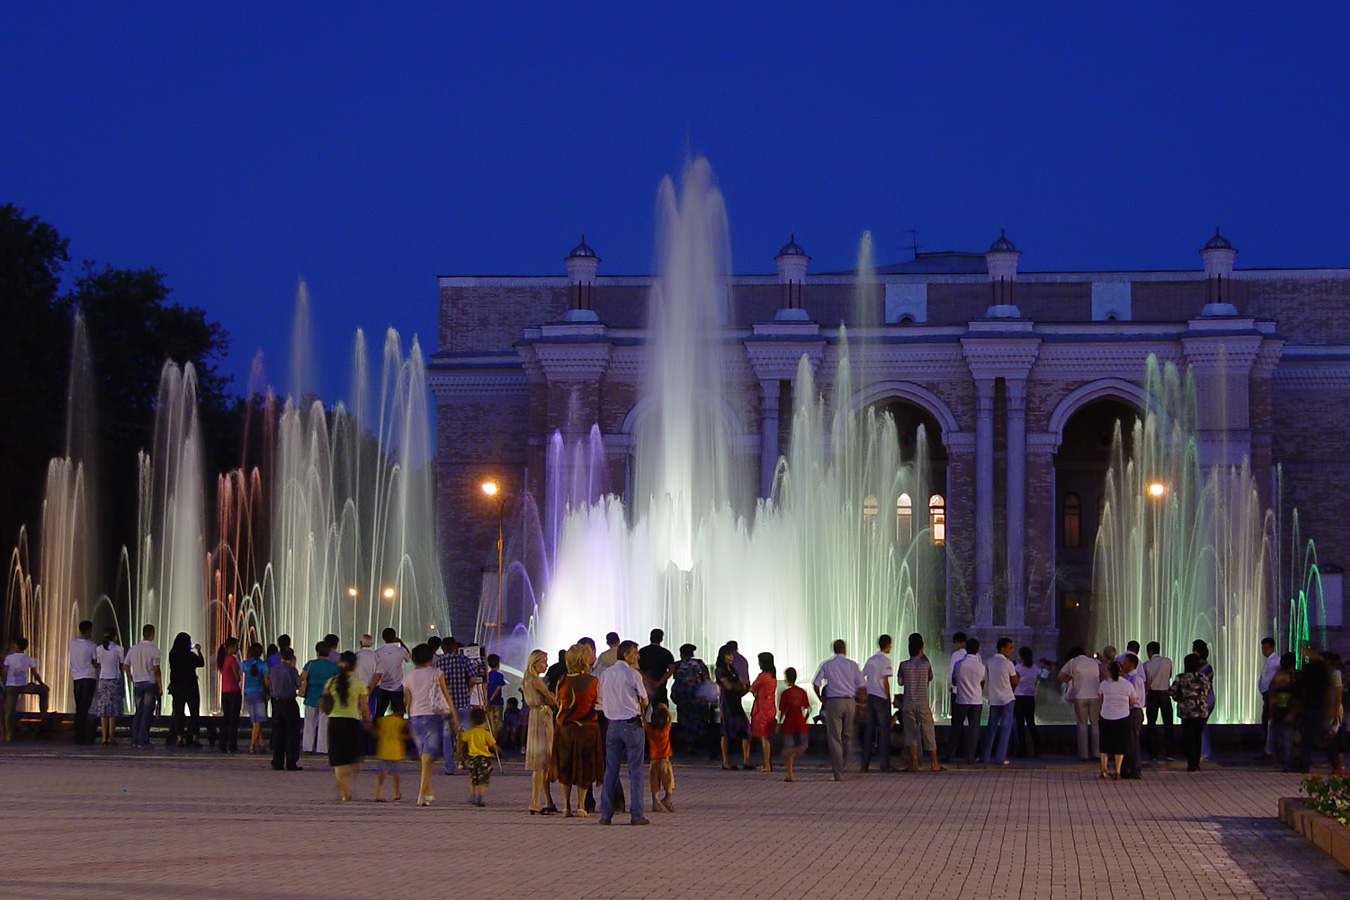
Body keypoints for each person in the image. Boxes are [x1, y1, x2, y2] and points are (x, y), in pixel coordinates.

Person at [596, 639, 649, 825]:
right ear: (626, 654)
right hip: (631, 724)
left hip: (612, 725)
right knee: (636, 771)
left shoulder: (606, 674)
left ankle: (606, 814)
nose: (638, 656)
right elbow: (644, 699)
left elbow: (601, 696)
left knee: (611, 770)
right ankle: (637, 815)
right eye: (636, 652)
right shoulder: (632, 674)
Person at [402, 642, 457, 807]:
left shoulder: (408, 677)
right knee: (428, 757)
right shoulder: (436, 673)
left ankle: (428, 790)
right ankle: (421, 792)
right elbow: (446, 695)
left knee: (425, 757)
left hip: (415, 717)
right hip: (432, 716)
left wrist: (407, 718)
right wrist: (453, 715)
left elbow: (407, 700)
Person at [554, 643, 604, 817]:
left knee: (565, 766)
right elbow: (597, 701)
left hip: (566, 728)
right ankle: (581, 805)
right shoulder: (593, 681)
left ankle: (566, 806)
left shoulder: (562, 680)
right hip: (587, 727)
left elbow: (558, 704)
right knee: (585, 766)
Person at [812, 638, 867, 781]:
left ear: (834, 650)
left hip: (834, 702)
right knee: (847, 735)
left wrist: (821, 699)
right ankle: (843, 762)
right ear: (845, 649)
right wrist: (861, 705)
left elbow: (816, 683)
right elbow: (861, 686)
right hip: (850, 702)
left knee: (834, 738)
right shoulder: (853, 665)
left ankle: (839, 772)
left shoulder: (827, 664)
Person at [324, 650, 371, 801]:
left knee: (338, 760)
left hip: (334, 722)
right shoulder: (359, 683)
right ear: (355, 665)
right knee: (355, 760)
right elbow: (364, 707)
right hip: (351, 722)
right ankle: (344, 788)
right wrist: (369, 721)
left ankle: (344, 791)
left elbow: (325, 698)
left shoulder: (331, 681)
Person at [896, 632, 943, 772]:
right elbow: (930, 678)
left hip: (908, 703)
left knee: (910, 734)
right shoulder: (926, 665)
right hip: (923, 703)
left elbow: (900, 682)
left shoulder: (903, 665)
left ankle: (914, 763)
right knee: (929, 732)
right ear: (921, 649)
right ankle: (934, 764)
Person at [434, 637, 480, 776]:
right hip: (463, 703)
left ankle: (449, 767)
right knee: (469, 734)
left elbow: (435, 684)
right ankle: (475, 763)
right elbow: (473, 679)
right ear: (455, 648)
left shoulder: (439, 663)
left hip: (446, 706)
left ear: (443, 648)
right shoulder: (465, 660)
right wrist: (467, 687)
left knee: (447, 737)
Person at [521, 648, 558, 815]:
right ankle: (535, 801)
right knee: (541, 762)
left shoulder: (526, 679)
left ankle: (544, 800)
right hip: (542, 717)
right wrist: (553, 695)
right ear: (534, 663)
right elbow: (552, 699)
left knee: (541, 763)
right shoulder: (536, 680)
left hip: (534, 717)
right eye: (543, 662)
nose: (546, 665)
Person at [1291, 645, 1331, 774]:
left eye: (1306, 652)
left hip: (1311, 707)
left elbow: (1302, 686)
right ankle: (1304, 764)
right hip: (1317, 707)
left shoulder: (1312, 668)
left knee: (1307, 737)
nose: (1304, 654)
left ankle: (1303, 765)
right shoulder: (1322, 669)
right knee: (1311, 737)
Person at [1171, 653, 1212, 772]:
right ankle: (1196, 762)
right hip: (1200, 710)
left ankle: (1190, 763)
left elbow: (1173, 691)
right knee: (1197, 736)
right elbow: (1207, 690)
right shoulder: (1203, 677)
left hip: (1186, 711)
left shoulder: (1181, 677)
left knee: (1188, 737)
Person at [2, 637, 48, 740]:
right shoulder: (28, 659)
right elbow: (35, 674)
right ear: (26, 647)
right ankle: (43, 714)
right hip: (23, 686)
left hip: (11, 687)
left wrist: (5, 684)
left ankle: (9, 736)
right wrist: (42, 684)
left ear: (15, 646)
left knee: (9, 712)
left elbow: (4, 672)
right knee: (43, 691)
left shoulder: (9, 658)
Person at [1059, 647, 1101, 760]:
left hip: (1080, 696)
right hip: (1095, 695)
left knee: (1082, 724)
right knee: (1095, 724)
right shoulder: (1093, 662)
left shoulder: (1073, 662)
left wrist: (1071, 681)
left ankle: (1084, 755)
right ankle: (1096, 753)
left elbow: (1061, 675)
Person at [981, 637, 1018, 766]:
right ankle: (1000, 758)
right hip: (1007, 699)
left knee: (991, 728)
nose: (1011, 651)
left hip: (994, 699)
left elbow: (985, 679)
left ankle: (985, 756)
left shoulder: (989, 662)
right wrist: (1011, 690)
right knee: (1005, 729)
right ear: (1002, 648)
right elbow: (1015, 680)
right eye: (1010, 648)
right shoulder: (1008, 663)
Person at [1098, 660, 1137, 780]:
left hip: (1106, 715)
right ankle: (1117, 771)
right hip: (1122, 717)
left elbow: (1100, 697)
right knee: (1120, 745)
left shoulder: (1104, 684)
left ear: (1109, 671)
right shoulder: (1127, 684)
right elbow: (1134, 700)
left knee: (1105, 744)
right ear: (1121, 671)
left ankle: (1104, 770)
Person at [670, 643, 712, 754]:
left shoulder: (677, 665)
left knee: (685, 719)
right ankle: (698, 742)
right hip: (697, 696)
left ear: (682, 654)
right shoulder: (699, 664)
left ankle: (688, 744)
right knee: (698, 719)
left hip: (682, 697)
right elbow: (706, 678)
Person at [124, 625, 161, 749]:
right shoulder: (154, 650)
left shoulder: (133, 649)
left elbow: (125, 665)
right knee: (147, 713)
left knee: (138, 712)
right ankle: (143, 739)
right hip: (149, 683)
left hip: (138, 683)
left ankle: (134, 738)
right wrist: (159, 686)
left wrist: (131, 677)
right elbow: (156, 669)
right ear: (152, 634)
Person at [949, 638, 985, 766]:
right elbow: (982, 682)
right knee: (974, 728)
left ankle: (950, 754)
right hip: (976, 700)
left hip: (961, 699)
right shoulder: (981, 666)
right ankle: (971, 756)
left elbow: (954, 681)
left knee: (957, 727)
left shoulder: (959, 664)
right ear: (977, 650)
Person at [861, 634, 894, 773]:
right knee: (884, 731)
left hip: (870, 696)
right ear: (887, 645)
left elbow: (862, 677)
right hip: (881, 697)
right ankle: (884, 764)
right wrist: (888, 697)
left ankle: (865, 764)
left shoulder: (871, 660)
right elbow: (885, 680)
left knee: (869, 731)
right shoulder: (885, 661)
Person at [716, 644, 751, 770]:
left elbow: (741, 685)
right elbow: (729, 686)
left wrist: (735, 685)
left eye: (731, 655)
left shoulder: (732, 669)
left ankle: (746, 760)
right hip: (727, 703)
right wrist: (736, 685)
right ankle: (726, 761)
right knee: (726, 732)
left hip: (736, 702)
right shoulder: (720, 670)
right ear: (722, 656)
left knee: (746, 729)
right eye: (728, 655)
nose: (731, 657)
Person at [300, 641, 339, 755]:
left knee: (309, 723)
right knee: (324, 724)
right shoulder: (333, 667)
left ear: (317, 652)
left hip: (311, 697)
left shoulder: (310, 664)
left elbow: (302, 677)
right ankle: (322, 749)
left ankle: (307, 748)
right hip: (326, 698)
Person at [165, 632, 204, 748]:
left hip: (177, 686)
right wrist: (199, 651)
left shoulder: (173, 654)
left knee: (178, 713)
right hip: (191, 686)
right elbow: (201, 663)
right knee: (194, 712)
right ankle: (194, 737)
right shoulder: (190, 655)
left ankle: (179, 738)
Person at [269, 647, 303, 771]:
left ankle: (277, 762)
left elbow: (270, 685)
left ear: (280, 657)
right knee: (292, 733)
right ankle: (291, 762)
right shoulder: (292, 670)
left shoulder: (273, 670)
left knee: (278, 733)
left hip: (277, 704)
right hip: (289, 703)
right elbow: (298, 685)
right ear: (292, 657)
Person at [456, 708, 498, 807]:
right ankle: (480, 795)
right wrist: (498, 751)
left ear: (472, 721)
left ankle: (473, 795)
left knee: (473, 778)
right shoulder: (486, 733)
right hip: (484, 758)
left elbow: (461, 737)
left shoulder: (470, 733)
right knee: (483, 779)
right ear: (484, 720)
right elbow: (493, 745)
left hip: (472, 758)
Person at [1142, 641, 1174, 762]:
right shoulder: (1167, 661)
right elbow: (1169, 676)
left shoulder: (1146, 664)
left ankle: (1153, 753)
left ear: (1149, 652)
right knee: (1168, 724)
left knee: (1151, 724)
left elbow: (1146, 681)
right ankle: (1169, 752)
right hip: (1165, 693)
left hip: (1152, 694)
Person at [778, 667, 811, 782]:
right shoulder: (802, 692)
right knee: (803, 745)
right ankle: (792, 752)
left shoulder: (785, 693)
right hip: (800, 723)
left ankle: (790, 774)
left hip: (789, 723)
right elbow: (808, 708)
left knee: (789, 746)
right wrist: (804, 719)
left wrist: (779, 722)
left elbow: (782, 710)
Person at [69, 620, 98, 745]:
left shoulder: (72, 643)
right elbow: (95, 663)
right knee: (84, 708)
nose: (92, 632)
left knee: (79, 706)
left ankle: (78, 735)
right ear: (88, 630)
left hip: (76, 678)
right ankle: (82, 737)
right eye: (91, 630)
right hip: (88, 677)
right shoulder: (92, 646)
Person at [369, 627, 410, 718]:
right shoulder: (401, 651)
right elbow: (408, 657)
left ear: (383, 638)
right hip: (397, 687)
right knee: (399, 715)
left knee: (379, 714)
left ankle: (378, 731)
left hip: (383, 687)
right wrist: (401, 642)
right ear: (395, 638)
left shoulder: (378, 652)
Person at [92, 630, 124, 745]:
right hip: (114, 679)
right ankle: (111, 736)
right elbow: (121, 665)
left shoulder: (99, 648)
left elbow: (98, 663)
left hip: (103, 679)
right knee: (113, 710)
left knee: (103, 709)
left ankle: (103, 737)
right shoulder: (119, 649)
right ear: (114, 637)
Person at [940, 632, 968, 762]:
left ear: (957, 642)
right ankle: (965, 751)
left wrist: (949, 688)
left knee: (956, 724)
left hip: (957, 693)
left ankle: (952, 753)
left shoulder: (956, 655)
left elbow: (951, 673)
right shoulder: (974, 655)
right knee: (969, 724)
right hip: (971, 695)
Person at [373, 698, 407, 801]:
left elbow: (377, 732)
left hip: (383, 750)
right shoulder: (401, 722)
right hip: (395, 751)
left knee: (381, 773)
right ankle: (396, 793)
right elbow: (401, 735)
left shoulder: (382, 720)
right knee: (396, 774)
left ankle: (378, 792)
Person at [749, 651, 778, 772]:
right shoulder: (773, 676)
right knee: (768, 737)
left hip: (762, 708)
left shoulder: (763, 676)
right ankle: (768, 762)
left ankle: (767, 764)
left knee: (764, 738)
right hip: (770, 707)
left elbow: (752, 688)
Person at [1120, 653, 1146, 779]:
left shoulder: (1135, 679)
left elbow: (1134, 699)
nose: (1122, 665)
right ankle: (1127, 768)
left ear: (1130, 664)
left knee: (1133, 741)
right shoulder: (1130, 678)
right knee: (1128, 741)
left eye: (1124, 662)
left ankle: (1135, 769)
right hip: (1131, 712)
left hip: (1134, 712)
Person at [645, 703, 675, 812]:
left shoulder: (650, 731)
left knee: (654, 782)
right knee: (668, 781)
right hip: (664, 760)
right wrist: (666, 709)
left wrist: (642, 711)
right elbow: (670, 720)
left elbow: (643, 722)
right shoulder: (665, 731)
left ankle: (655, 802)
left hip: (653, 760)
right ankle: (667, 798)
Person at [1268, 652, 1297, 766]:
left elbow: (1272, 694)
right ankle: (1290, 760)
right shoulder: (1297, 675)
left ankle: (1281, 760)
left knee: (1280, 736)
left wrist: (1271, 712)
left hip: (1279, 709)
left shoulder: (1278, 676)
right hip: (1293, 709)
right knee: (1290, 736)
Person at [241, 642, 270, 753]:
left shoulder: (245, 664)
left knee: (256, 720)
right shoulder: (263, 665)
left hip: (248, 694)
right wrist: (269, 691)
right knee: (257, 722)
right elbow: (266, 680)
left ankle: (261, 743)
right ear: (261, 653)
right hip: (259, 693)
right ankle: (252, 745)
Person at [638, 628, 677, 709]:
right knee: (662, 713)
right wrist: (659, 683)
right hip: (660, 688)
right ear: (661, 639)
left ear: (650, 637)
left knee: (642, 712)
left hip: (644, 687)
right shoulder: (666, 653)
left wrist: (648, 680)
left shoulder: (642, 651)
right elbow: (671, 670)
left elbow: (636, 668)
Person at [216, 638, 243, 753]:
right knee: (233, 721)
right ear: (230, 647)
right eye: (236, 646)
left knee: (225, 719)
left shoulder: (222, 659)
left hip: (224, 692)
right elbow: (237, 678)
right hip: (234, 692)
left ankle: (222, 744)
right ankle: (232, 745)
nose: (237, 649)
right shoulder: (232, 659)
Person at [1012, 647, 1039, 758]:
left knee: (1020, 724)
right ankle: (1037, 749)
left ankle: (1021, 750)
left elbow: (1014, 681)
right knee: (1031, 723)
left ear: (1021, 656)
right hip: (1030, 697)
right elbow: (1036, 681)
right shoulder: (1036, 668)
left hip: (1019, 697)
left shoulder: (1018, 667)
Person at [1257, 636, 1280, 760]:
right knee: (1266, 722)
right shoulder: (1269, 661)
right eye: (1262, 647)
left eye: (1265, 647)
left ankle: (1270, 751)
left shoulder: (1276, 661)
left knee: (1268, 722)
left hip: (1271, 695)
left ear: (1271, 647)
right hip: (1266, 695)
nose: (1263, 650)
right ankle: (1267, 750)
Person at [1192, 639, 1215, 760]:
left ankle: (1204, 752)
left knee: (1200, 725)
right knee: (1201, 725)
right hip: (1207, 698)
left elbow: (1202, 684)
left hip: (1205, 698)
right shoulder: (1206, 666)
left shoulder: (1205, 667)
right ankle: (1204, 751)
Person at [485, 653, 506, 734]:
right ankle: (496, 742)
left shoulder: (486, 675)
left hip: (487, 702)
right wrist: (491, 699)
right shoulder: (499, 676)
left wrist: (487, 700)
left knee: (489, 723)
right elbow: (498, 688)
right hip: (497, 702)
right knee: (497, 723)